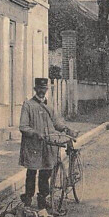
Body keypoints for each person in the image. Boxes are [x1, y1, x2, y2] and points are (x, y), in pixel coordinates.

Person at [19, 78, 76, 210]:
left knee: (46, 171)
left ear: (46, 90)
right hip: (33, 145)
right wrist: (34, 133)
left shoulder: (49, 106)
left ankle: (42, 198)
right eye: (39, 88)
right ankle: (28, 199)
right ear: (35, 89)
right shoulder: (28, 105)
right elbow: (23, 126)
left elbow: (56, 123)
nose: (41, 91)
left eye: (44, 89)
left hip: (48, 144)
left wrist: (65, 129)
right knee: (32, 171)